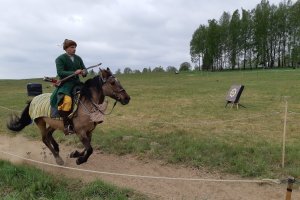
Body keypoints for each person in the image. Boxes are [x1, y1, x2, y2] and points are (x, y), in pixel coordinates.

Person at [50, 39, 87, 135]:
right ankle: (66, 125)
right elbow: (60, 72)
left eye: (75, 47)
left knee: (89, 95)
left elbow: (84, 69)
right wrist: (74, 72)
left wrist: (84, 72)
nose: (74, 49)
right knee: (67, 101)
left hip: (77, 83)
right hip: (66, 85)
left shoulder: (78, 58)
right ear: (66, 48)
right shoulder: (60, 59)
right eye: (72, 47)